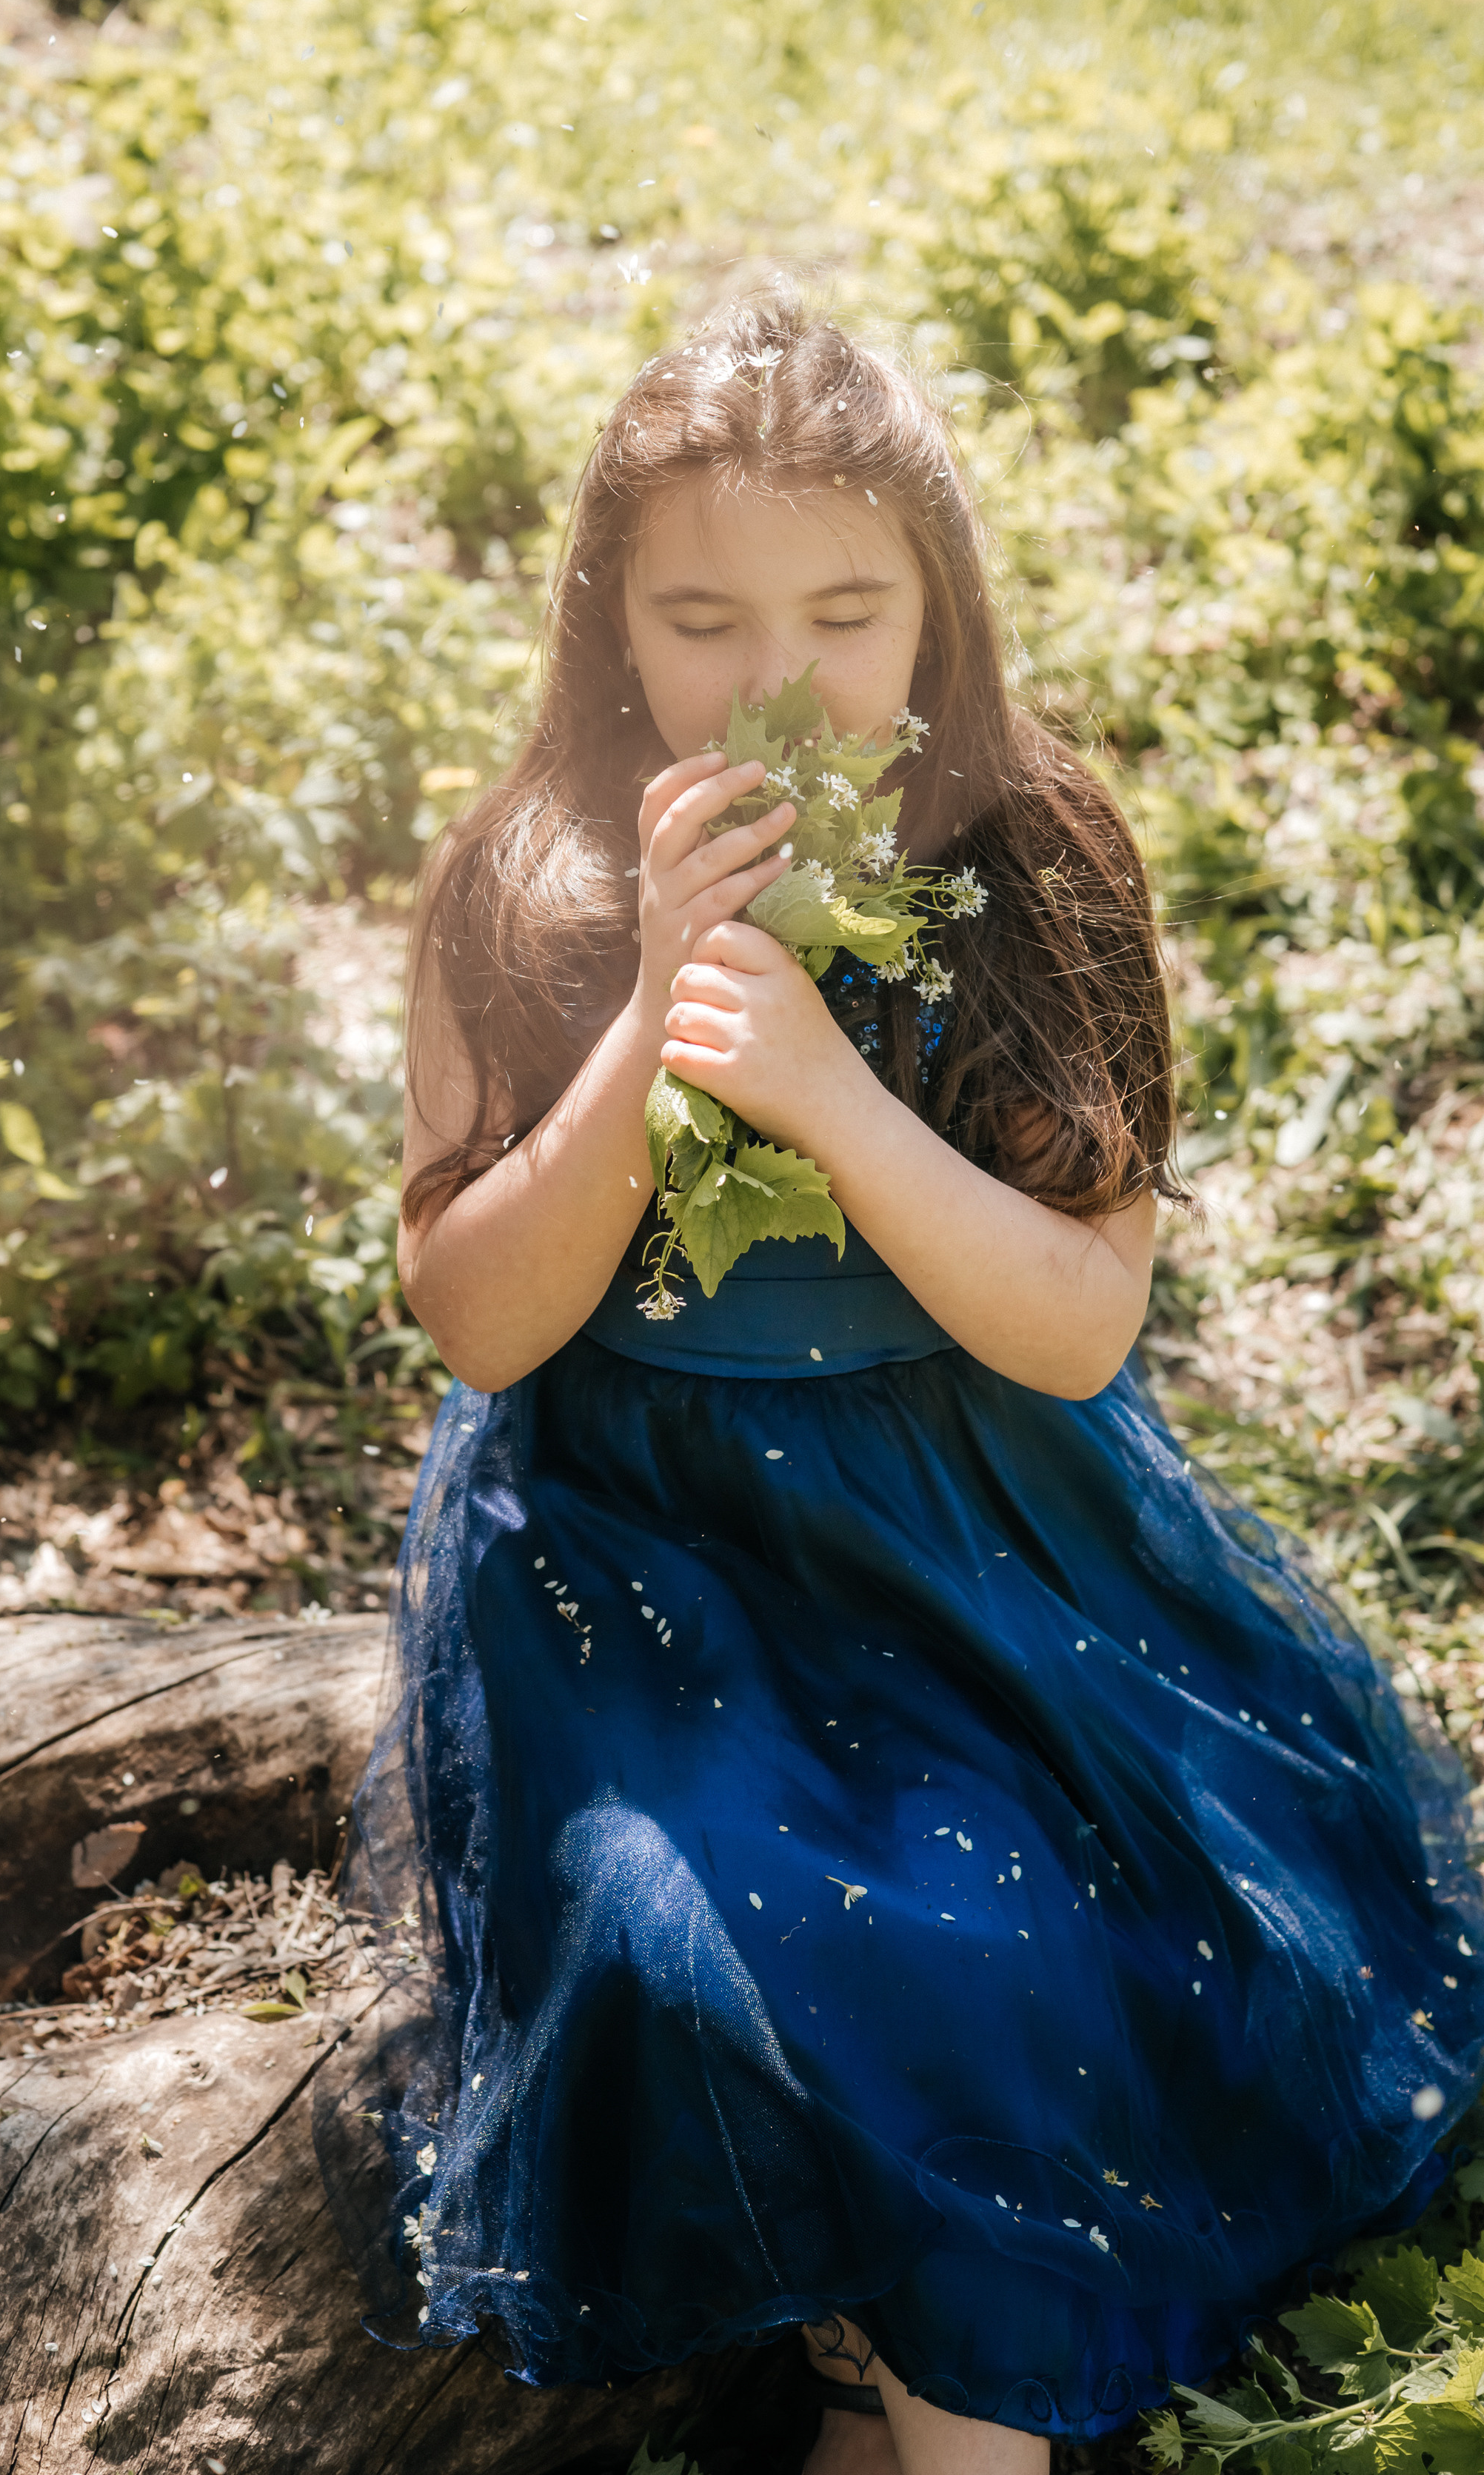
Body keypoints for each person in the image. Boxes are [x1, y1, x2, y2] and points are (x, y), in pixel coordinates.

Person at [351, 290, 1484, 2473]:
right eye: (700, 617)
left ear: (939, 621)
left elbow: (1078, 1321)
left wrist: (835, 1100)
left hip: (979, 1516)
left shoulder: (1036, 867)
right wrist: (661, 999)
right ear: (608, 627)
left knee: (1028, 1943)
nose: (776, 679)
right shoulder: (529, 886)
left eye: (848, 614)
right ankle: (890, 2385)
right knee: (692, 1946)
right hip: (636, 1547)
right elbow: (481, 1318)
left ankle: (919, 2402)